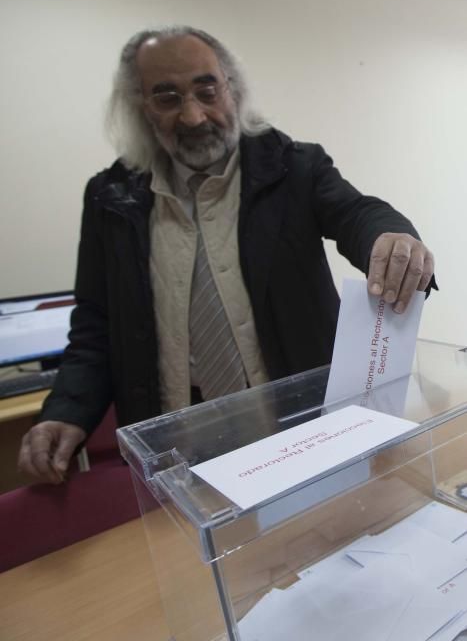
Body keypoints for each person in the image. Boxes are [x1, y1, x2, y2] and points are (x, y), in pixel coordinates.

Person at [18, 25, 435, 484]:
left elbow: (358, 214)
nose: (194, 117)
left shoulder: (293, 167)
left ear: (232, 88)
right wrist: (67, 410)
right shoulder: (110, 198)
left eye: (206, 90)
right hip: (174, 448)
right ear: (142, 106)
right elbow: (96, 324)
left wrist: (393, 237)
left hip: (301, 430)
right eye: (167, 97)